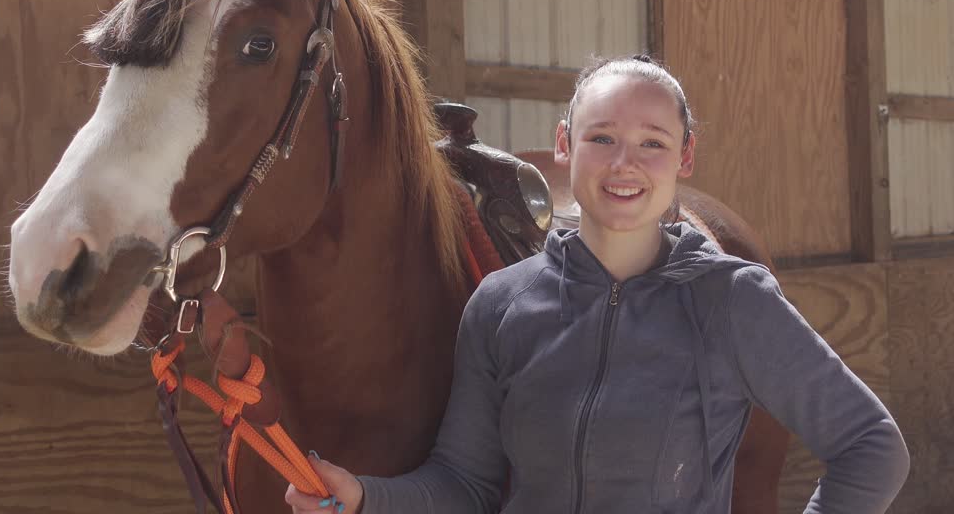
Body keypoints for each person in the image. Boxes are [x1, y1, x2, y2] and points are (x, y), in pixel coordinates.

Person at [286, 54, 910, 513]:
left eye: (652, 143)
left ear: (685, 157)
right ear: (565, 145)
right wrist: (365, 497)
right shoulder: (502, 305)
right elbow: (464, 483)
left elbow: (871, 445)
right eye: (602, 138)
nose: (624, 164)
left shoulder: (732, 299)